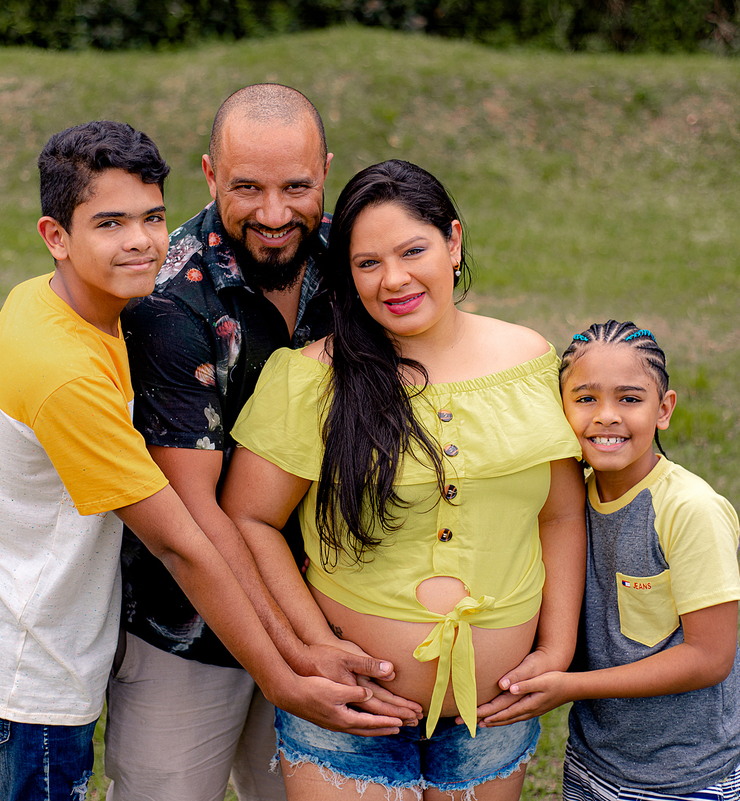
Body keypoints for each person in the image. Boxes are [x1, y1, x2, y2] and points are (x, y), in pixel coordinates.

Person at [0, 120, 385, 801]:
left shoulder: (62, 304)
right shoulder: (68, 369)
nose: (143, 241)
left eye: (152, 218)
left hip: (41, 627)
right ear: (55, 236)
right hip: (32, 656)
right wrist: (287, 672)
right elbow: (181, 541)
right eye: (110, 223)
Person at [221, 159, 587, 800]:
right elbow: (249, 518)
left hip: (493, 714)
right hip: (350, 712)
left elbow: (558, 514)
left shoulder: (528, 359)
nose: (393, 279)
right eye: (368, 263)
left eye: (413, 251)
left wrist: (556, 649)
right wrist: (314, 648)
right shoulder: (313, 377)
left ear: (454, 241)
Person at [106, 84, 417, 801]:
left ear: (326, 171)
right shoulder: (168, 298)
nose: (274, 215)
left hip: (338, 605)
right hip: (189, 618)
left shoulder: (362, 261)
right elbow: (194, 514)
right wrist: (297, 654)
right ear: (211, 174)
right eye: (247, 188)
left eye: (296, 187)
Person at [478, 320, 740, 801]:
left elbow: (709, 658)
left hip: (688, 773)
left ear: (663, 409)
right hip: (593, 761)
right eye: (585, 399)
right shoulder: (564, 509)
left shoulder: (690, 510)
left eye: (629, 399)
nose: (606, 416)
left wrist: (570, 686)